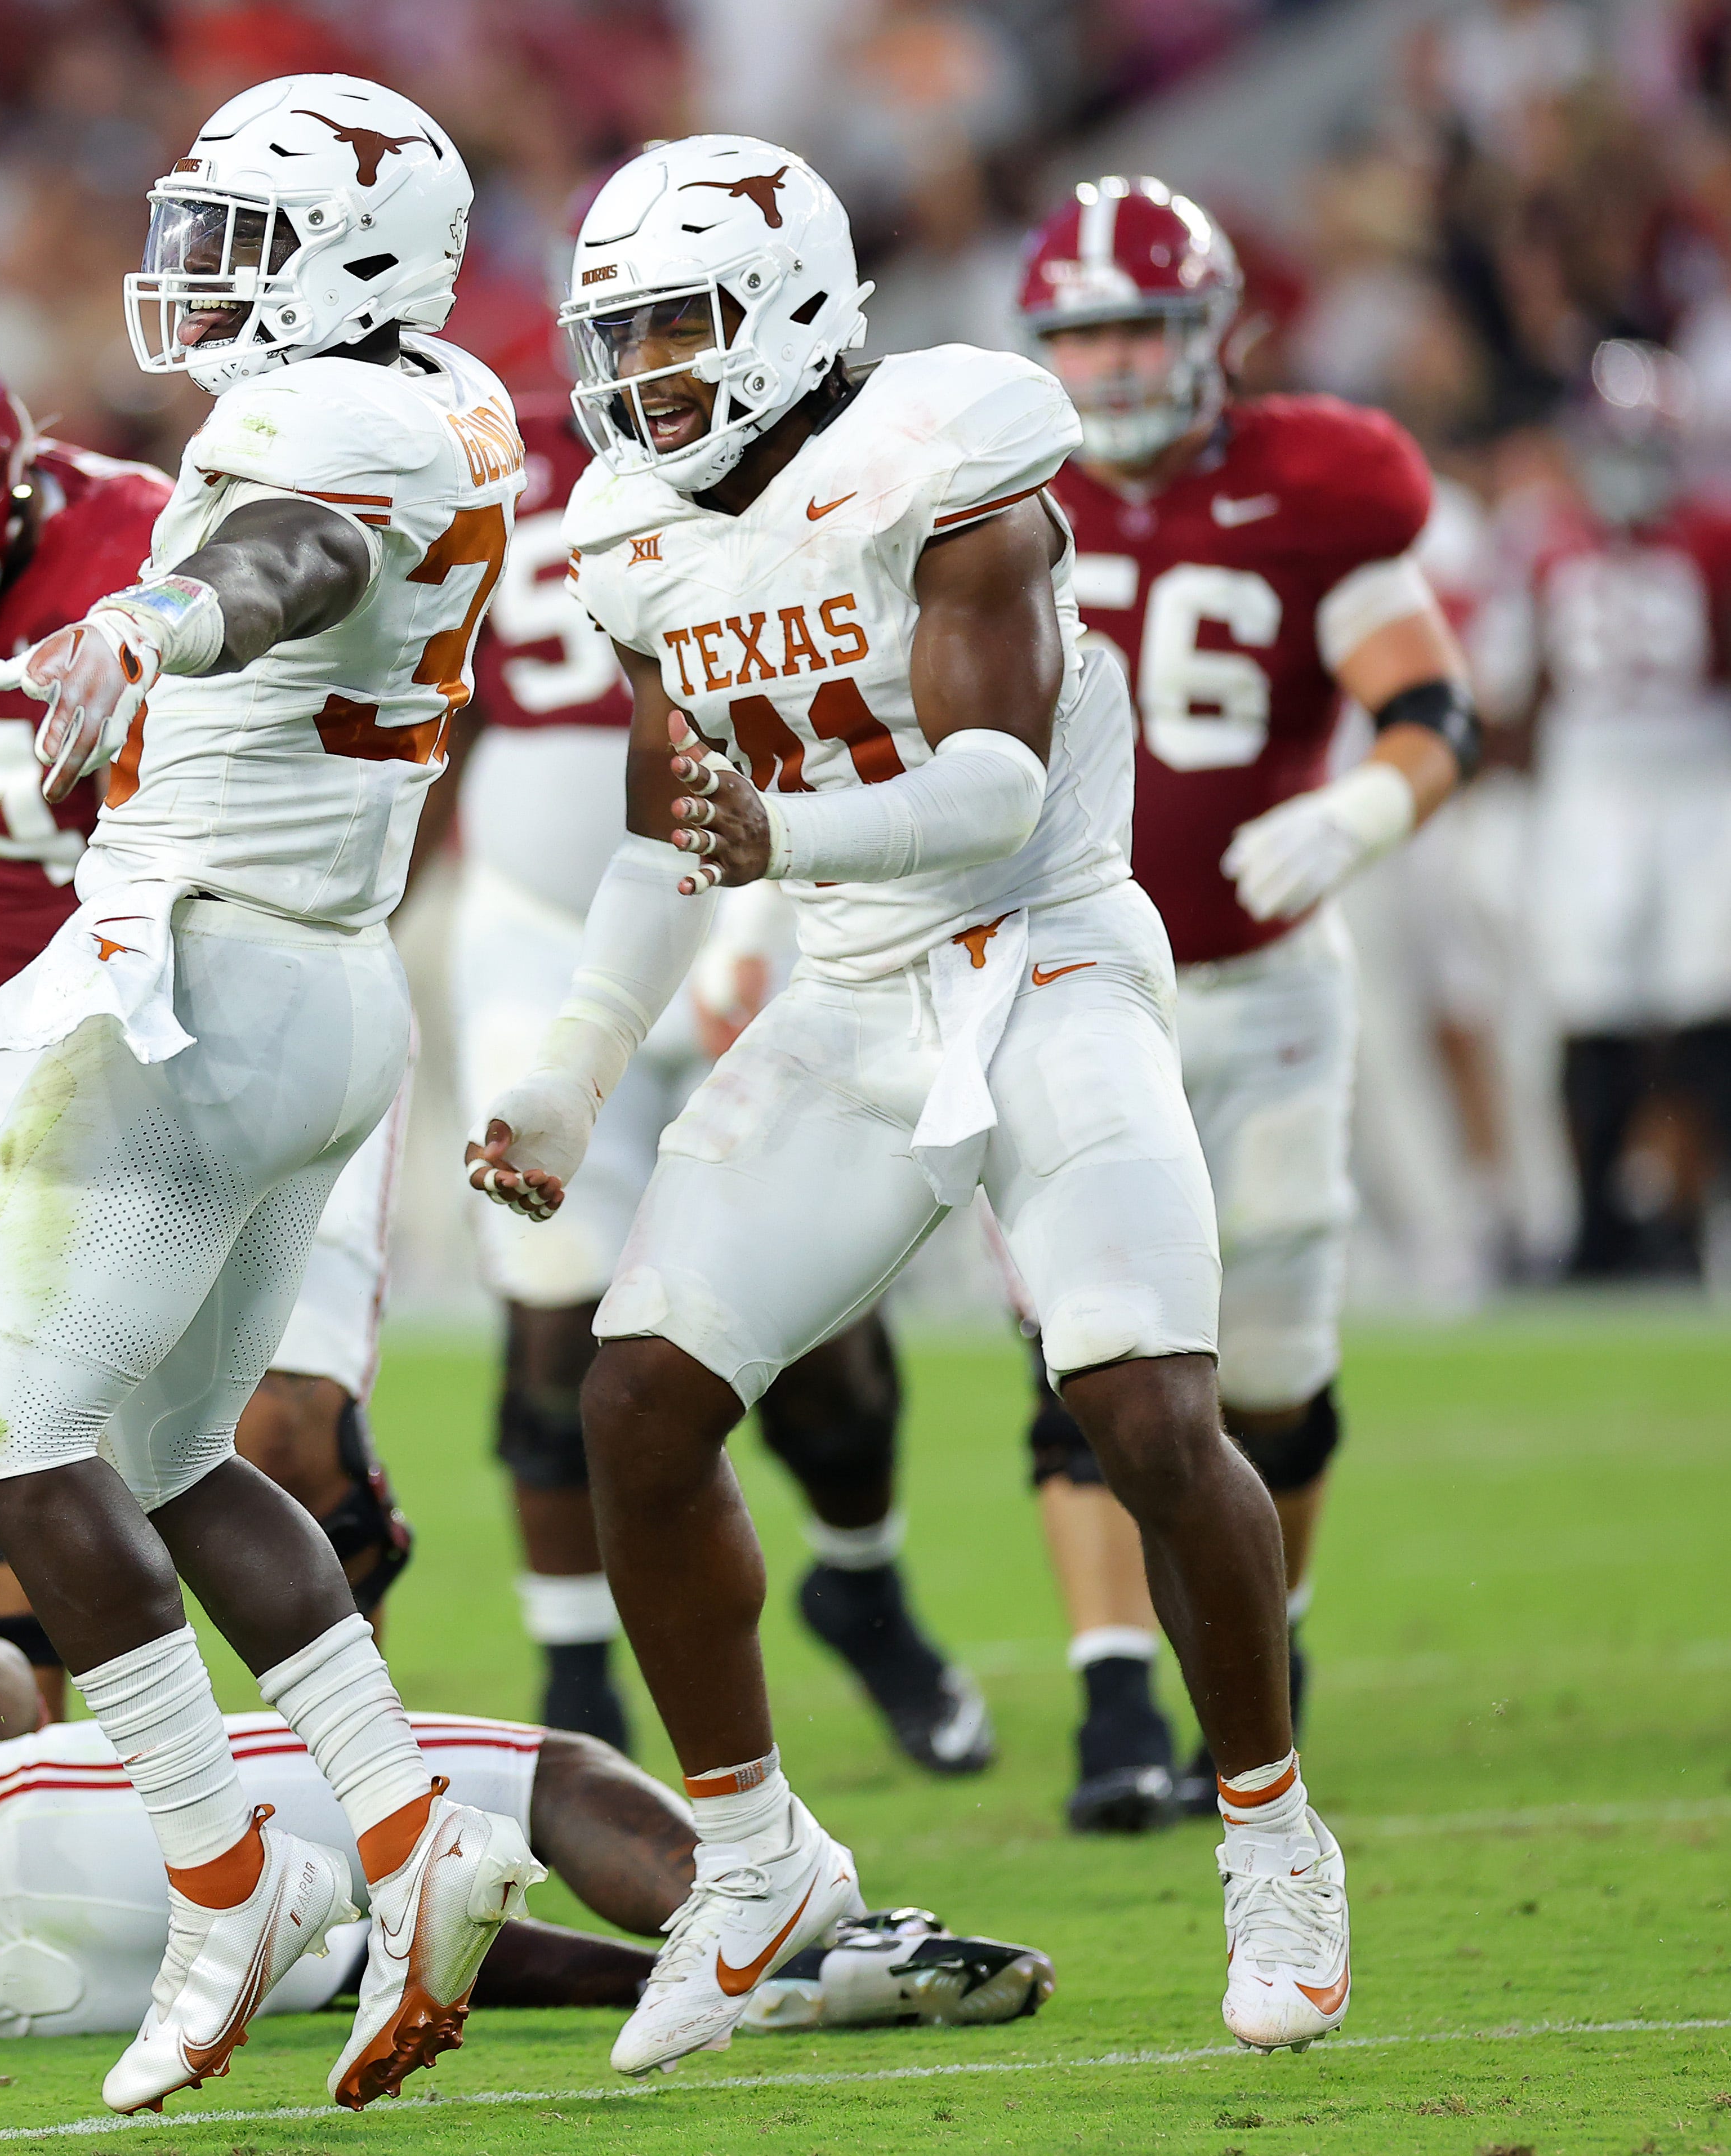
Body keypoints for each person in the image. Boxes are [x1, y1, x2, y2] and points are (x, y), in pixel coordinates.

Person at [466, 136, 1344, 2069]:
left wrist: (782, 827)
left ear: (788, 306)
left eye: (681, 327)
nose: (647, 377)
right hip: (850, 998)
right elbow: (659, 833)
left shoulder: (952, 448)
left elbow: (993, 784)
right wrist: (571, 1058)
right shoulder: (637, 527)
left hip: (1042, 957)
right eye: (623, 338)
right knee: (633, 1399)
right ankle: (754, 1853)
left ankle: (1271, 1827)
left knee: (1138, 1400)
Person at [0, 75, 539, 2114]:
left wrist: (150, 611)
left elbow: (286, 560)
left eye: (245, 235)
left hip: (196, 970)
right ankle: (397, 1811)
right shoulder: (451, 393)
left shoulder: (331, 424)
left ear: (354, 255)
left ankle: (223, 1873)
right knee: (184, 1451)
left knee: (6, 1444)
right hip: (326, 984)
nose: (199, 270)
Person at [0, 298, 413, 1720]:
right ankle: (28, 1838)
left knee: (278, 1432)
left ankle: (342, 1791)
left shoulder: (146, 546)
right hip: (14, 1037)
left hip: (213, 1015)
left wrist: (158, 634)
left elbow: (306, 613)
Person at [0, 1572, 1054, 2049]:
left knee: (403, 1935)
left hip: (6, 2003)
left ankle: (773, 1988)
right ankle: (810, 1924)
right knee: (518, 1779)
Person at [1014, 175, 1480, 1830]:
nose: (1116, 365)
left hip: (1269, 982)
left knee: (1271, 1363)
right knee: (1092, 1351)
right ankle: (1109, 1699)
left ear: (1212, 329)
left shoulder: (1315, 485)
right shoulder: (997, 496)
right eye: (1082, 334)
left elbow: (1430, 710)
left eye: (1139, 326)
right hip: (1069, 984)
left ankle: (1258, 1647)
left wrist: (1361, 807)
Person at [454, 391, 988, 1772]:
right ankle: (576, 1676)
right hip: (533, 918)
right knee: (551, 1308)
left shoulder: (795, 478)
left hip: (753, 878)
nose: (648, 367)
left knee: (811, 1332)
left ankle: (863, 1581)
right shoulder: (471, 468)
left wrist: (766, 910)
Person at [1474, 342, 1731, 1282]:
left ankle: (1677, 1204)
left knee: (1708, 1000)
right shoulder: (1539, 538)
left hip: (1703, 770)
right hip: (1590, 783)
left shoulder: (1712, 533)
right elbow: (1516, 684)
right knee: (1590, 1006)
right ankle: (1594, 1222)